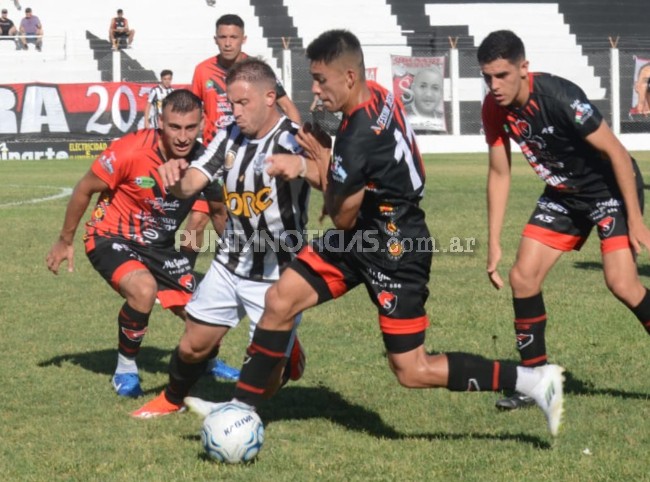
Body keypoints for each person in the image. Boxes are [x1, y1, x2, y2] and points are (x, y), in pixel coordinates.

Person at [184, 29, 566, 438]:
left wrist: (318, 160)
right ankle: (240, 409)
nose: (315, 90)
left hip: (394, 244)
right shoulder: (378, 94)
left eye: (321, 80)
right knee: (280, 300)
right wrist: (321, 167)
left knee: (412, 369)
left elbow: (339, 217)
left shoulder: (356, 138)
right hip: (369, 228)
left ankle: (533, 381)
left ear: (349, 77)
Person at [131, 58, 321, 418]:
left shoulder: (292, 137)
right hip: (229, 264)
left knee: (264, 384)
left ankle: (287, 352)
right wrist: (174, 179)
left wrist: (304, 168)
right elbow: (192, 183)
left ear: (269, 97)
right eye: (230, 103)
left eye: (242, 103)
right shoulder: (230, 134)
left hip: (278, 277)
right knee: (192, 347)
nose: (234, 111)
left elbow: (333, 179)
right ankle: (172, 400)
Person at [477, 30, 650, 411]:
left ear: (524, 68)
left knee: (622, 283)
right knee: (523, 278)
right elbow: (499, 174)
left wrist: (635, 220)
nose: (494, 85)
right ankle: (535, 381)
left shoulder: (559, 98)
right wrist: (493, 242)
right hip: (564, 194)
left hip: (608, 190)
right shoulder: (493, 108)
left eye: (502, 75)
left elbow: (619, 154)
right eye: (487, 77)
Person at [46, 90, 220, 399]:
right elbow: (84, 188)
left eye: (190, 127)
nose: (182, 137)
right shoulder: (129, 151)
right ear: (160, 122)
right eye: (174, 127)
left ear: (202, 123)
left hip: (161, 248)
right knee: (143, 290)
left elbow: (208, 216)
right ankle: (125, 369)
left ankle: (208, 361)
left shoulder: (205, 161)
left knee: (206, 314)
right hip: (110, 236)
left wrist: (194, 268)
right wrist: (64, 240)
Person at [183, 14, 302, 380]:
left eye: (233, 36)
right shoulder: (203, 71)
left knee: (223, 217)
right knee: (199, 219)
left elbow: (284, 105)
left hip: (259, 156)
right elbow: (194, 109)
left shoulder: (257, 71)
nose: (228, 42)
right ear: (215, 39)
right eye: (222, 36)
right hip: (220, 153)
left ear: (242, 38)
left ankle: (240, 272)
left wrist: (298, 142)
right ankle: (189, 274)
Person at [403, 66, 445, 131]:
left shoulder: (443, 118)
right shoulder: (402, 114)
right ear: (413, 88)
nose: (428, 94)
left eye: (435, 88)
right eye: (423, 86)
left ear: (441, 93)